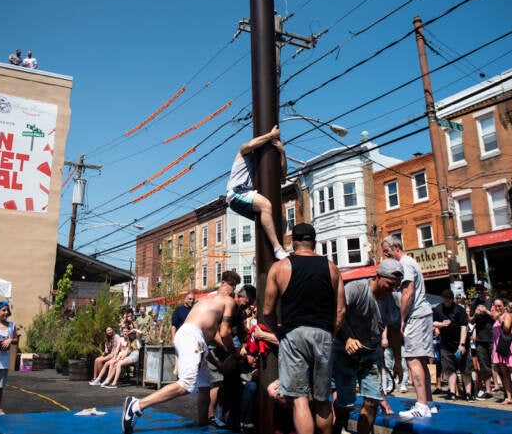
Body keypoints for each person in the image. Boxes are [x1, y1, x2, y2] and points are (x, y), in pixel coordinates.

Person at [121, 270, 254, 433]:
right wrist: (234, 352)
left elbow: (207, 340)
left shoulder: (207, 299)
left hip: (191, 337)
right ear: (232, 287)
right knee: (185, 384)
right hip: (192, 337)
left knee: (204, 387)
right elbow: (224, 332)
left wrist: (217, 363)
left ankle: (203, 424)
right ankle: (137, 406)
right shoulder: (228, 300)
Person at [263, 223, 346, 434]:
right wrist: (330, 333)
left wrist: (279, 333)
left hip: (293, 333)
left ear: (292, 242)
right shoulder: (331, 267)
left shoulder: (280, 267)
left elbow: (266, 312)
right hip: (323, 333)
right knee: (322, 399)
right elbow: (341, 310)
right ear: (315, 241)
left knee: (299, 400)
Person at [332, 258, 403, 434]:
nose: (393, 289)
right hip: (345, 352)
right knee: (345, 404)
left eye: (396, 285)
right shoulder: (357, 289)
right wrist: (347, 338)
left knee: (373, 400)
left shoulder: (394, 300)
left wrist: (399, 361)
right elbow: (335, 314)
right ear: (378, 276)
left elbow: (394, 331)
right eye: (390, 284)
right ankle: (336, 427)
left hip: (371, 354)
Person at [381, 235, 434, 418]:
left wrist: (402, 318)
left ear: (396, 247)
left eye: (387, 251)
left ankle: (421, 405)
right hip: (423, 313)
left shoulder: (404, 263)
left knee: (412, 359)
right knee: (420, 359)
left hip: (416, 315)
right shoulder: (410, 262)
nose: (387, 256)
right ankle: (428, 402)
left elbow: (408, 291)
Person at [226, 125, 289, 261]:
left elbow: (283, 175)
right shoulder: (243, 152)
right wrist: (271, 135)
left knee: (281, 221)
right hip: (237, 192)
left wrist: (282, 153)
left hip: (246, 194)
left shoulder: (261, 167)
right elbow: (250, 144)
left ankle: (273, 251)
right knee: (266, 205)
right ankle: (277, 247)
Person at [432, 289, 472, 402]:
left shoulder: (459, 310)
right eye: (445, 298)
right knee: (450, 369)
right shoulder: (438, 309)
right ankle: (452, 392)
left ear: (452, 299)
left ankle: (468, 393)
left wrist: (462, 344)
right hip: (446, 344)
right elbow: (433, 322)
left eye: (449, 299)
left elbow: (464, 327)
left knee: (465, 369)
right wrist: (441, 324)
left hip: (460, 342)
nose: (446, 301)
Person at [491, 299, 512, 406]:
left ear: (504, 306)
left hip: (509, 347)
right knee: (505, 373)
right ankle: (509, 397)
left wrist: (499, 319)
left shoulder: (508, 315)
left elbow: (506, 329)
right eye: (496, 306)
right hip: (499, 347)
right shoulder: (495, 318)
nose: (498, 308)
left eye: (500, 305)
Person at [470, 280, 496, 400]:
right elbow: (471, 320)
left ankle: (507, 391)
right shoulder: (474, 302)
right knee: (483, 363)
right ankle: (488, 390)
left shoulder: (492, 301)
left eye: (482, 289)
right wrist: (475, 314)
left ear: (487, 289)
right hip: (480, 337)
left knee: (498, 364)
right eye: (478, 289)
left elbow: (497, 317)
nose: (480, 291)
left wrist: (486, 311)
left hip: (494, 336)